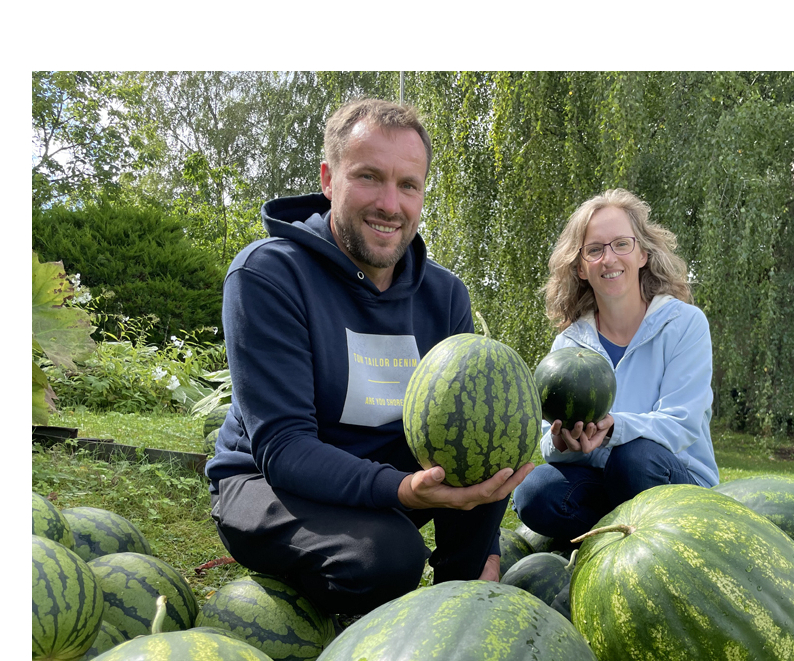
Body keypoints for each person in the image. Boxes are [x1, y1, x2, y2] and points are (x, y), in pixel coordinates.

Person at [204, 98, 533, 619]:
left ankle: (460, 612)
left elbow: (470, 433)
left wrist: (481, 556)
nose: (390, 203)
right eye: (369, 177)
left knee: (485, 448)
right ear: (328, 178)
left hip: (385, 482)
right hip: (266, 483)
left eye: (408, 185)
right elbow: (284, 447)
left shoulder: (445, 297)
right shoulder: (268, 276)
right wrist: (401, 492)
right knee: (384, 558)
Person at [513, 188, 719, 546]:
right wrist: (564, 441)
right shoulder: (570, 343)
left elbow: (682, 424)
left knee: (633, 460)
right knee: (535, 491)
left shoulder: (685, 323)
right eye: (595, 250)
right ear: (580, 267)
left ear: (642, 253)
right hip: (601, 481)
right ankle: (614, 540)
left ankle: (661, 540)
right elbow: (548, 440)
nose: (609, 259)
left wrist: (612, 429)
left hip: (675, 481)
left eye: (621, 244)